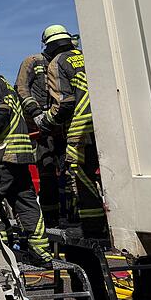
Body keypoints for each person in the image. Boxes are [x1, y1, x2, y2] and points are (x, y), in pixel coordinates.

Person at [0, 47, 53, 266]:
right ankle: (41, 253)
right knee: (25, 200)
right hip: (21, 153)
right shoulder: (4, 81)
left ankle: (1, 253)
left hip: (4, 154)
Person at [35, 26, 107, 237]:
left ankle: (93, 229)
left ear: (48, 45)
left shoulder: (57, 63)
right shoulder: (87, 57)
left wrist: (45, 121)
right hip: (104, 127)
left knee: (79, 175)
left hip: (80, 130)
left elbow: (65, 103)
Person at [16, 36, 60, 227]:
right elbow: (22, 88)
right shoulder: (32, 62)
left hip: (59, 125)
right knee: (47, 170)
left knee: (67, 171)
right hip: (39, 129)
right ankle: (51, 219)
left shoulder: (61, 62)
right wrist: (35, 113)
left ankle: (69, 214)